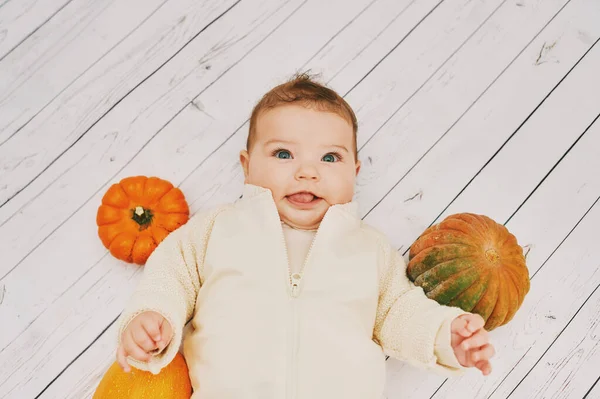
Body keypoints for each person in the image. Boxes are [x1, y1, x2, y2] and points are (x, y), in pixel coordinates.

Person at [115, 72, 495, 398]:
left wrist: (445, 336)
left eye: (330, 158)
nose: (307, 172)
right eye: (284, 154)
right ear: (247, 166)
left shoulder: (370, 249)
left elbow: (400, 312)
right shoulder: (218, 229)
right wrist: (153, 315)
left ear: (354, 172)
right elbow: (171, 275)